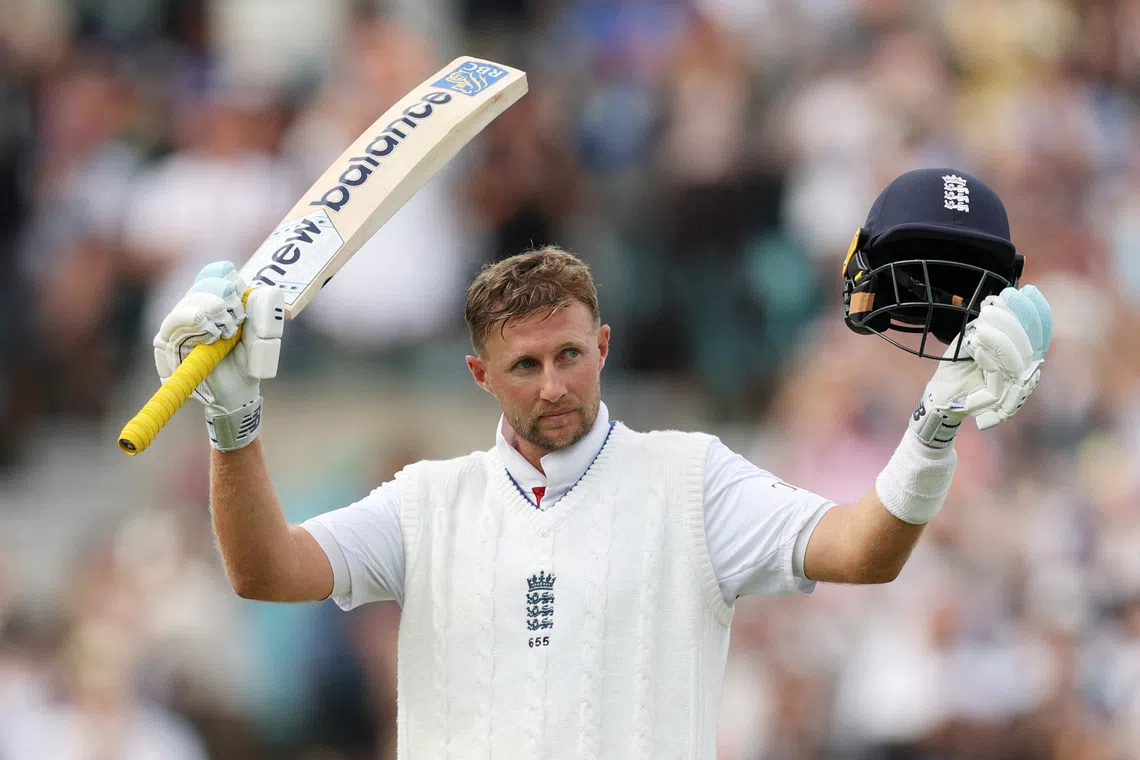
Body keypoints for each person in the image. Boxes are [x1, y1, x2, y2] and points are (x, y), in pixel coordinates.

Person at [151, 168, 1051, 758]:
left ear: (605, 345)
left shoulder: (693, 480)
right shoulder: (428, 503)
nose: (554, 386)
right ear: (478, 375)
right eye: (525, 366)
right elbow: (265, 572)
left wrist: (933, 428)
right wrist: (234, 421)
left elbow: (865, 551)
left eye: (571, 356)